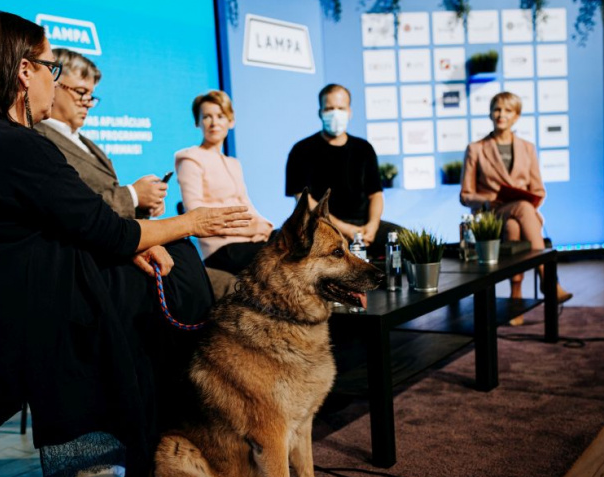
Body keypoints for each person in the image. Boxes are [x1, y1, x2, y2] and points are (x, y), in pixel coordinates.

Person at [0, 11, 252, 477]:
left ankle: (174, 464)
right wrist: (192, 222)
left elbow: (75, 227)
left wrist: (134, 247)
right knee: (181, 279)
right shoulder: (14, 146)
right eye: (48, 68)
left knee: (174, 269)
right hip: (44, 320)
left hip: (25, 305)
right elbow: (107, 229)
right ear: (21, 72)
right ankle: (165, 476)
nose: (54, 80)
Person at [34, 49, 234, 299]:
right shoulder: (39, 140)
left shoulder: (87, 143)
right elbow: (79, 210)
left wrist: (143, 206)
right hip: (99, 265)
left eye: (91, 95)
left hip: (122, 247)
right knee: (225, 288)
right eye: (80, 92)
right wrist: (134, 196)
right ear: (53, 85)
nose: (87, 102)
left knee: (223, 282)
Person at [460, 91, 573, 325]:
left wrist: (525, 201)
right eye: (497, 109)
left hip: (521, 217)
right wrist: (488, 200)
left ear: (517, 116)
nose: (501, 115)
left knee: (515, 222)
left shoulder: (527, 148)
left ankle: (516, 298)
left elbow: (539, 191)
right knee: (518, 211)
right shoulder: (476, 149)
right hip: (491, 214)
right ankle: (548, 281)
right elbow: (465, 195)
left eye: (508, 110)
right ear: (490, 113)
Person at [285, 83, 400, 259]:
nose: (335, 113)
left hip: (363, 225)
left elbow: (376, 194)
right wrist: (344, 229)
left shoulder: (364, 149)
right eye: (329, 108)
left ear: (349, 112)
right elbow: (303, 199)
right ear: (320, 112)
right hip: (319, 227)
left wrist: (372, 226)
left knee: (408, 244)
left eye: (341, 108)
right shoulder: (302, 150)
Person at [175, 90, 273, 275]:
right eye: (206, 117)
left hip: (248, 241)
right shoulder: (190, 159)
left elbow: (246, 205)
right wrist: (249, 229)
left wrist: (264, 225)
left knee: (289, 240)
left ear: (230, 120)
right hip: (220, 249)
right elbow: (197, 216)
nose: (214, 123)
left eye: (220, 116)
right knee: (278, 256)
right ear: (198, 122)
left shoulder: (233, 164)